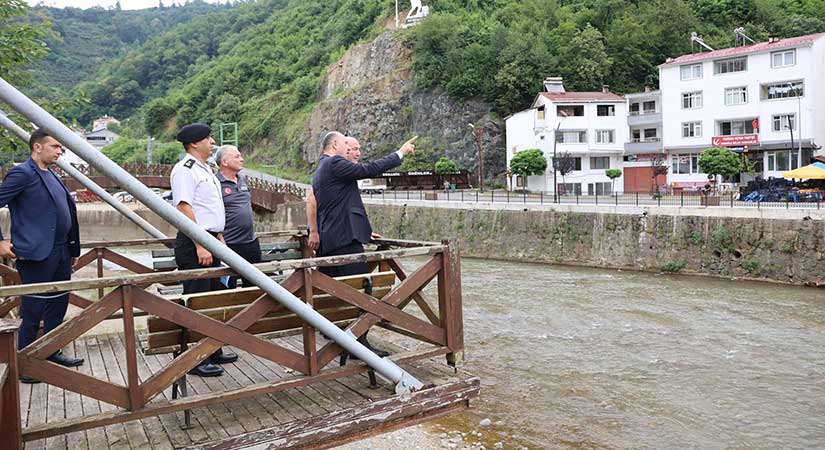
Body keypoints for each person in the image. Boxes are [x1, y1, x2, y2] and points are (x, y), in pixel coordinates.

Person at [311, 131, 416, 358]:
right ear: (336, 144)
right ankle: (359, 345)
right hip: (344, 241)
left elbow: (341, 206)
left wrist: (365, 232)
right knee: (359, 293)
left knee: (342, 294)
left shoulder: (321, 168)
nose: (349, 151)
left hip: (333, 240)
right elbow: (369, 170)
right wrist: (401, 152)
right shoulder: (334, 163)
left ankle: (345, 339)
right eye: (346, 147)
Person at [0, 128, 83, 383]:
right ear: (37, 147)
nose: (60, 151)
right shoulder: (22, 173)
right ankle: (24, 364)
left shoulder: (53, 175)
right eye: (56, 146)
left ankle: (50, 351)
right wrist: (0, 242)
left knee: (58, 303)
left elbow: (66, 212)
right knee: (33, 308)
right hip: (37, 254)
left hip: (60, 251)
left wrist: (73, 249)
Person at [171, 123, 237, 377]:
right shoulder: (185, 170)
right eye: (208, 138)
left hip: (210, 239)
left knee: (214, 298)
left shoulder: (205, 169)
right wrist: (200, 242)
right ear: (194, 144)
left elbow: (209, 209)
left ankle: (212, 348)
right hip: (195, 241)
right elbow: (184, 208)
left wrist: (218, 238)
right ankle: (195, 358)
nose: (212, 142)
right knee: (197, 300)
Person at [307, 136, 365, 253]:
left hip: (337, 237)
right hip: (336, 239)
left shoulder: (340, 172)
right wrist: (313, 231)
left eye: (358, 149)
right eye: (352, 149)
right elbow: (311, 201)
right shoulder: (332, 167)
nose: (357, 153)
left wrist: (363, 230)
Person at [215, 145, 261, 288]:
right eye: (237, 156)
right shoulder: (215, 183)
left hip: (250, 243)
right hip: (229, 245)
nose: (242, 159)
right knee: (228, 289)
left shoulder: (242, 179)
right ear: (225, 162)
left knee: (256, 286)